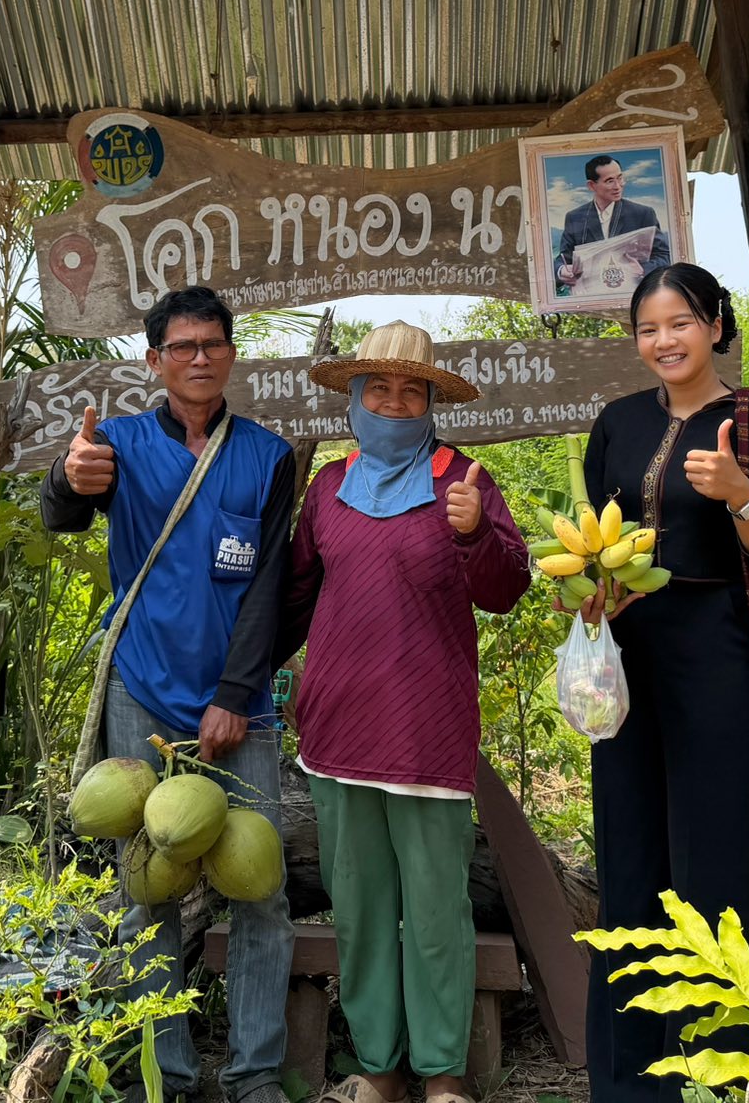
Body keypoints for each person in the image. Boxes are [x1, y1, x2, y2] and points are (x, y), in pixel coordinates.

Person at [40, 285, 295, 1103]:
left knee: (261, 889)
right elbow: (63, 513)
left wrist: (234, 690)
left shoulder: (267, 455)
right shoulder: (114, 445)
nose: (199, 359)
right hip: (141, 693)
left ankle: (256, 1073)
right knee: (147, 885)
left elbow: (272, 589)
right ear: (154, 361)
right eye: (181, 347)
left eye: (213, 344)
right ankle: (169, 1074)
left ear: (231, 353)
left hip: (240, 702)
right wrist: (64, 477)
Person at [278, 322, 528, 1103]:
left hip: (427, 733)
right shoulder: (327, 487)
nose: (393, 402)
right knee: (359, 908)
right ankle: (378, 1067)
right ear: (355, 400)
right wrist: (247, 679)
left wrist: (474, 532)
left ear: (430, 403)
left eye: (410, 390)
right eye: (378, 389)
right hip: (339, 730)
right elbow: (293, 596)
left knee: (434, 912)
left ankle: (444, 1072)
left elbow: (507, 588)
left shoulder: (464, 481)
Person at [576, 264, 749, 1103]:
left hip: (717, 663)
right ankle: (630, 1084)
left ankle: (716, 1079)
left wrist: (741, 495)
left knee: (713, 873)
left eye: (679, 323)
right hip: (629, 667)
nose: (663, 341)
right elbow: (600, 538)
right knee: (632, 870)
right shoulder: (617, 422)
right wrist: (591, 589)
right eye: (646, 328)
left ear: (714, 324)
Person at [554, 154, 671, 296]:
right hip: (591, 298)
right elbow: (564, 257)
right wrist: (562, 271)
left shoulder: (643, 214)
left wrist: (642, 269)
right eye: (609, 181)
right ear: (591, 185)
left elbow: (665, 256)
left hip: (635, 296)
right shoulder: (574, 217)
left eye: (620, 178)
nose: (618, 186)